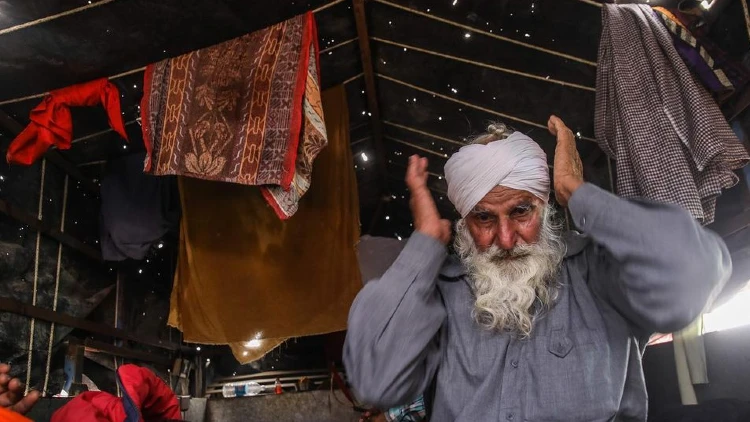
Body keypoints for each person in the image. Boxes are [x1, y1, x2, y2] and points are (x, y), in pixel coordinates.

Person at [343, 116, 731, 421]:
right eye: (484, 218)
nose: (507, 238)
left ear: (544, 206)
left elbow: (691, 276)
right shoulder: (442, 293)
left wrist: (575, 191)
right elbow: (376, 383)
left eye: (521, 211)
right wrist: (424, 243)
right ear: (463, 222)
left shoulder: (596, 273)